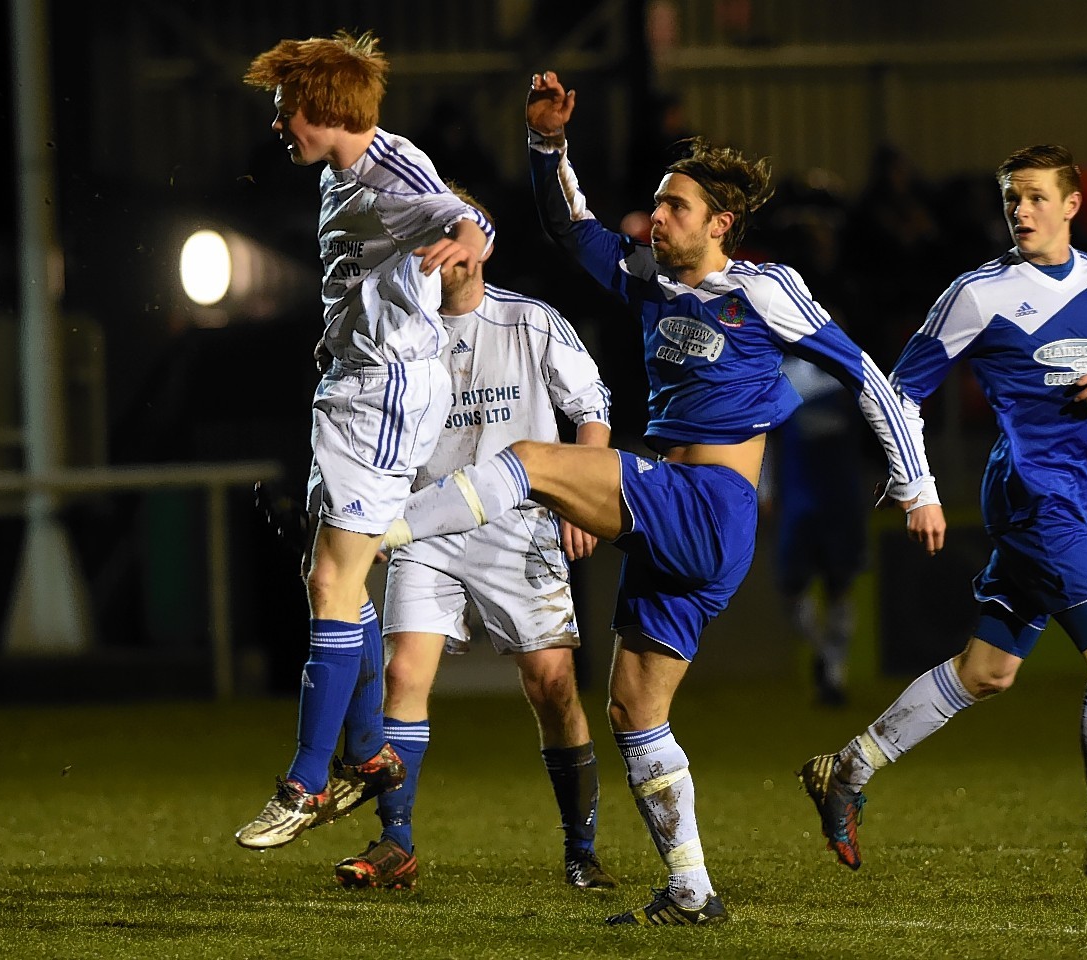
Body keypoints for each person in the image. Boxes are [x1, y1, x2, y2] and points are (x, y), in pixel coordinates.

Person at [380, 70, 945, 926]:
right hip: (670, 509)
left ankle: (379, 531)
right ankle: (690, 890)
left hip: (710, 503)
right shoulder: (649, 277)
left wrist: (918, 486)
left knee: (533, 458)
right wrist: (546, 144)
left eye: (675, 207)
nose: (657, 218)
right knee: (633, 708)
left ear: (721, 224)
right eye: (655, 203)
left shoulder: (763, 288)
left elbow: (869, 376)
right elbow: (571, 229)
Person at [798, 145, 1087, 896]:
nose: (1021, 211)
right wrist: (916, 484)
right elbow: (896, 392)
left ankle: (844, 770)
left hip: (1070, 497)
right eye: (1012, 198)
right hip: (1030, 494)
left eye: (1037, 197)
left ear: (1072, 205)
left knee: (988, 673)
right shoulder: (979, 294)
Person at [234, 30, 494, 850]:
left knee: (330, 581)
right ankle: (372, 752)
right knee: (340, 585)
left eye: (286, 112)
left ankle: (308, 782)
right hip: (347, 390)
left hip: (382, 396)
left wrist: (468, 239)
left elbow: (465, 213)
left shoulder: (392, 167)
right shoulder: (339, 171)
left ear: (320, 110)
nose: (279, 126)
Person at [330, 188, 618, 892]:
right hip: (425, 529)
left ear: (481, 242)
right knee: (403, 676)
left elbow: (592, 408)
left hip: (518, 529)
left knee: (551, 685)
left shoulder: (531, 322)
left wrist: (581, 496)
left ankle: (581, 850)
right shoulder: (399, 334)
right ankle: (395, 841)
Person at [761, 354, 873, 707]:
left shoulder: (852, 373)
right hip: (800, 501)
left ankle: (835, 675)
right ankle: (824, 654)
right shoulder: (785, 376)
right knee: (792, 589)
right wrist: (764, 489)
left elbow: (876, 433)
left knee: (840, 587)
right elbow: (763, 436)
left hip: (842, 500)